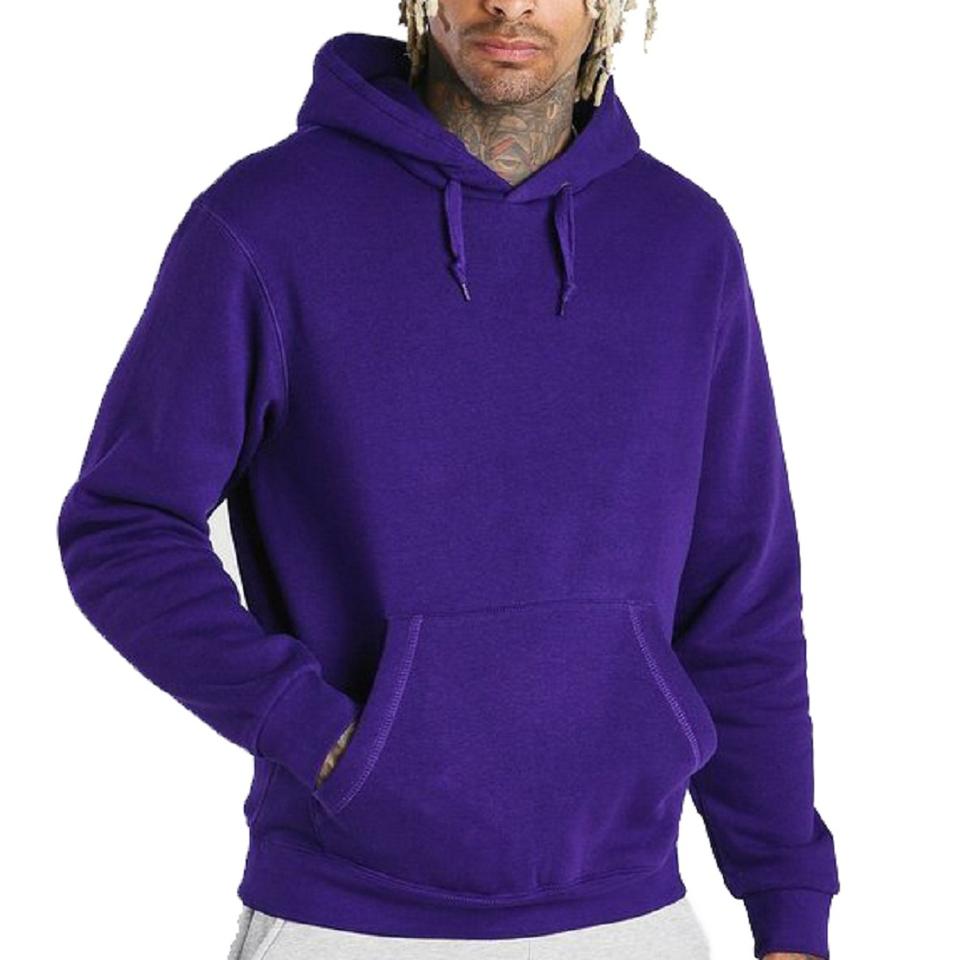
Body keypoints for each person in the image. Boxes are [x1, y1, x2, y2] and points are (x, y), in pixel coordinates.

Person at [56, 2, 841, 959]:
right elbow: (124, 523)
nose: (510, 3)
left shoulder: (685, 244)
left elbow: (741, 597)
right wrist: (315, 733)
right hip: (346, 918)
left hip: (632, 913)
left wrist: (788, 903)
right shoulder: (267, 222)